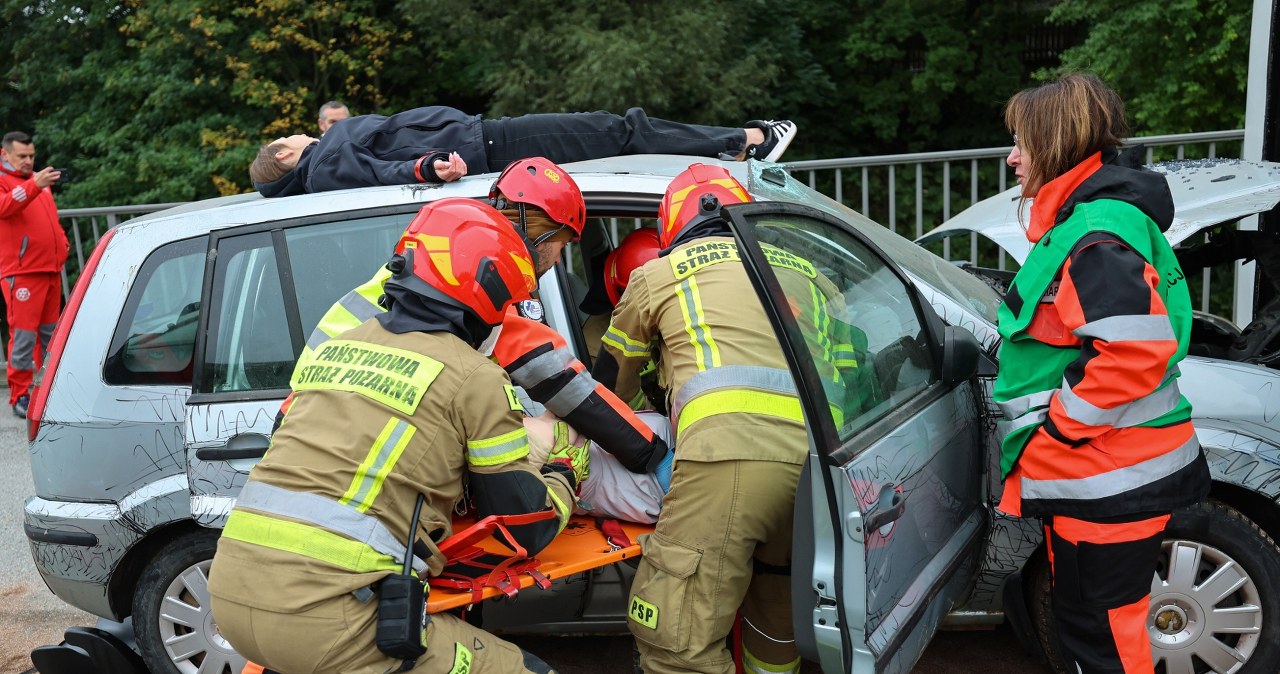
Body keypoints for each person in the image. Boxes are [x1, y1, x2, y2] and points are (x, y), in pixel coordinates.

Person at [208, 198, 589, 674]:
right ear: (489, 294)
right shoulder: (474, 377)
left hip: (230, 598)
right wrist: (564, 473)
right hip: (325, 618)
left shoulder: (337, 347)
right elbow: (524, 526)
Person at [994, 73, 1210, 674]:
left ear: (1054, 142)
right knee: (1097, 631)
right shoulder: (1095, 223)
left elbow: (1131, 352)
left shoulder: (1094, 233)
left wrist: (1059, 432)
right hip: (1105, 474)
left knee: (1104, 643)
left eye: (1021, 143)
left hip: (1107, 476)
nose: (1013, 158)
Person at [593, 164, 835, 674]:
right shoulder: (809, 275)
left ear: (673, 227)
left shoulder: (658, 275)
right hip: (820, 472)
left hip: (727, 461)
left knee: (676, 638)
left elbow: (610, 390)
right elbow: (844, 372)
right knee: (776, 616)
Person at [301, 157, 670, 478]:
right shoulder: (482, 280)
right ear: (543, 234)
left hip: (309, 418)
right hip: (355, 435)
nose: (559, 260)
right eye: (562, 246)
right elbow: (563, 382)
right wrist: (651, 455)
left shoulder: (436, 255)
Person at [249, 106, 798, 197]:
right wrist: (427, 167)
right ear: (286, 158)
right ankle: (747, 142)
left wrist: (425, 163)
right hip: (490, 145)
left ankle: (726, 154)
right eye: (289, 140)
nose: (298, 135)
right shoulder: (325, 164)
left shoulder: (327, 161)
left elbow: (379, 164)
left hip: (485, 141)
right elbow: (384, 173)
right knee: (615, 131)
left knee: (614, 139)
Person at [0, 131, 65, 418]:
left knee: (52, 337)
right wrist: (33, 186)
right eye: (22, 156)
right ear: (5, 154)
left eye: (31, 155)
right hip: (22, 272)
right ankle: (20, 395)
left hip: (50, 269)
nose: (28, 161)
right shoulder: (14, 182)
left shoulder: (39, 181)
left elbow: (50, 221)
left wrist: (62, 244)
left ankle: (48, 390)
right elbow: (4, 207)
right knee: (24, 337)